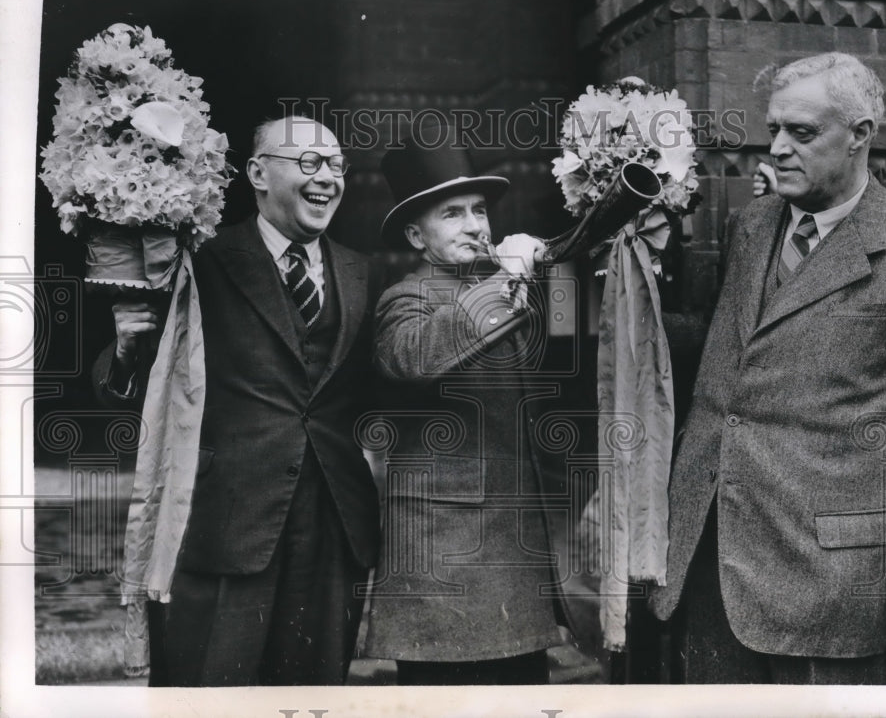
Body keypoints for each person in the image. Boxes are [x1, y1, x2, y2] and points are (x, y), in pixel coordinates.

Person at [650, 53, 886, 685]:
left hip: (835, 587)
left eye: (803, 133)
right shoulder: (753, 225)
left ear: (860, 135)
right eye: (775, 131)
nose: (780, 148)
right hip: (712, 560)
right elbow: (727, 358)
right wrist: (629, 278)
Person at [95, 116, 381, 686]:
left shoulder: (358, 270)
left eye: (336, 165)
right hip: (225, 526)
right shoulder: (203, 260)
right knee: (211, 691)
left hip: (333, 528)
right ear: (256, 173)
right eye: (308, 163)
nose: (327, 178)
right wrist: (127, 349)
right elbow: (150, 390)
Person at [361, 131, 569, 685]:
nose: (476, 225)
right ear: (416, 234)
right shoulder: (405, 296)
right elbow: (411, 358)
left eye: (480, 210)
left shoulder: (507, 287)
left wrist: (555, 270)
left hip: (509, 559)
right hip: (443, 562)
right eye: (452, 214)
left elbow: (576, 353)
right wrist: (507, 280)